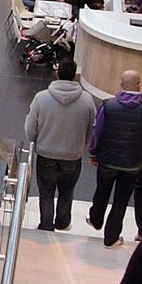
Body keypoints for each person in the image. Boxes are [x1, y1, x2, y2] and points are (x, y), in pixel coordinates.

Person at [86, 70, 142, 248]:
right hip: (132, 164)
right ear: (139, 85)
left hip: (107, 160)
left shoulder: (108, 105)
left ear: (121, 85)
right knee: (121, 200)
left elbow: (97, 133)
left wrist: (94, 153)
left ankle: (96, 219)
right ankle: (111, 237)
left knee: (102, 191)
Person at [25, 60, 95, 230]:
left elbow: (30, 126)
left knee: (46, 191)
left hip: (46, 152)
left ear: (57, 73)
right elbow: (92, 127)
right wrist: (82, 144)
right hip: (73, 155)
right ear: (74, 75)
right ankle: (63, 222)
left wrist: (35, 140)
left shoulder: (41, 98)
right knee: (67, 190)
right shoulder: (86, 100)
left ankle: (46, 224)